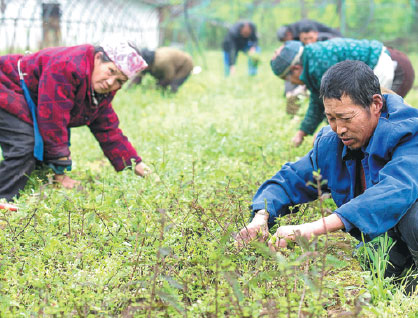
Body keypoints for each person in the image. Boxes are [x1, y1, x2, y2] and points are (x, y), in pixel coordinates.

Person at [236, 60, 418, 294]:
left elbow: (396, 190)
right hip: (388, 238)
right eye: (331, 118)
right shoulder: (332, 144)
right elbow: (290, 180)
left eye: (346, 118)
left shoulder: (410, 134)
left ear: (375, 104)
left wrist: (314, 227)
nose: (338, 128)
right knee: (372, 262)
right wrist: (261, 216)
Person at [0, 40, 151, 201]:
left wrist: (135, 163)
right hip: (6, 84)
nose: (110, 82)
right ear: (98, 58)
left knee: (39, 146)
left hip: (27, 98)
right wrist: (60, 172)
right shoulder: (68, 66)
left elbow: (107, 128)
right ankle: (4, 197)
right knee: (26, 145)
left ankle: (37, 182)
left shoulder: (99, 90)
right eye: (111, 71)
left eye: (119, 81)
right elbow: (53, 120)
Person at [270, 38, 415, 146]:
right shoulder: (311, 62)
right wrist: (302, 133)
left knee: (383, 121)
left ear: (295, 69)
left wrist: (327, 136)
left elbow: (338, 106)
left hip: (392, 67)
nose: (291, 83)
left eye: (287, 79)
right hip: (392, 62)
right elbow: (318, 101)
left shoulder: (318, 64)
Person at [278, 20, 342, 116]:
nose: (308, 42)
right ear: (300, 37)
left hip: (331, 79)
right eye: (305, 39)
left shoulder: (325, 44)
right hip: (310, 79)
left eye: (310, 38)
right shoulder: (301, 48)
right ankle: (293, 117)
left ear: (316, 35)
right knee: (292, 96)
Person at [277, 19, 342, 44]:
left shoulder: (304, 27)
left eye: (285, 40)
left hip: (335, 38)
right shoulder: (295, 33)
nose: (286, 43)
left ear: (288, 34)